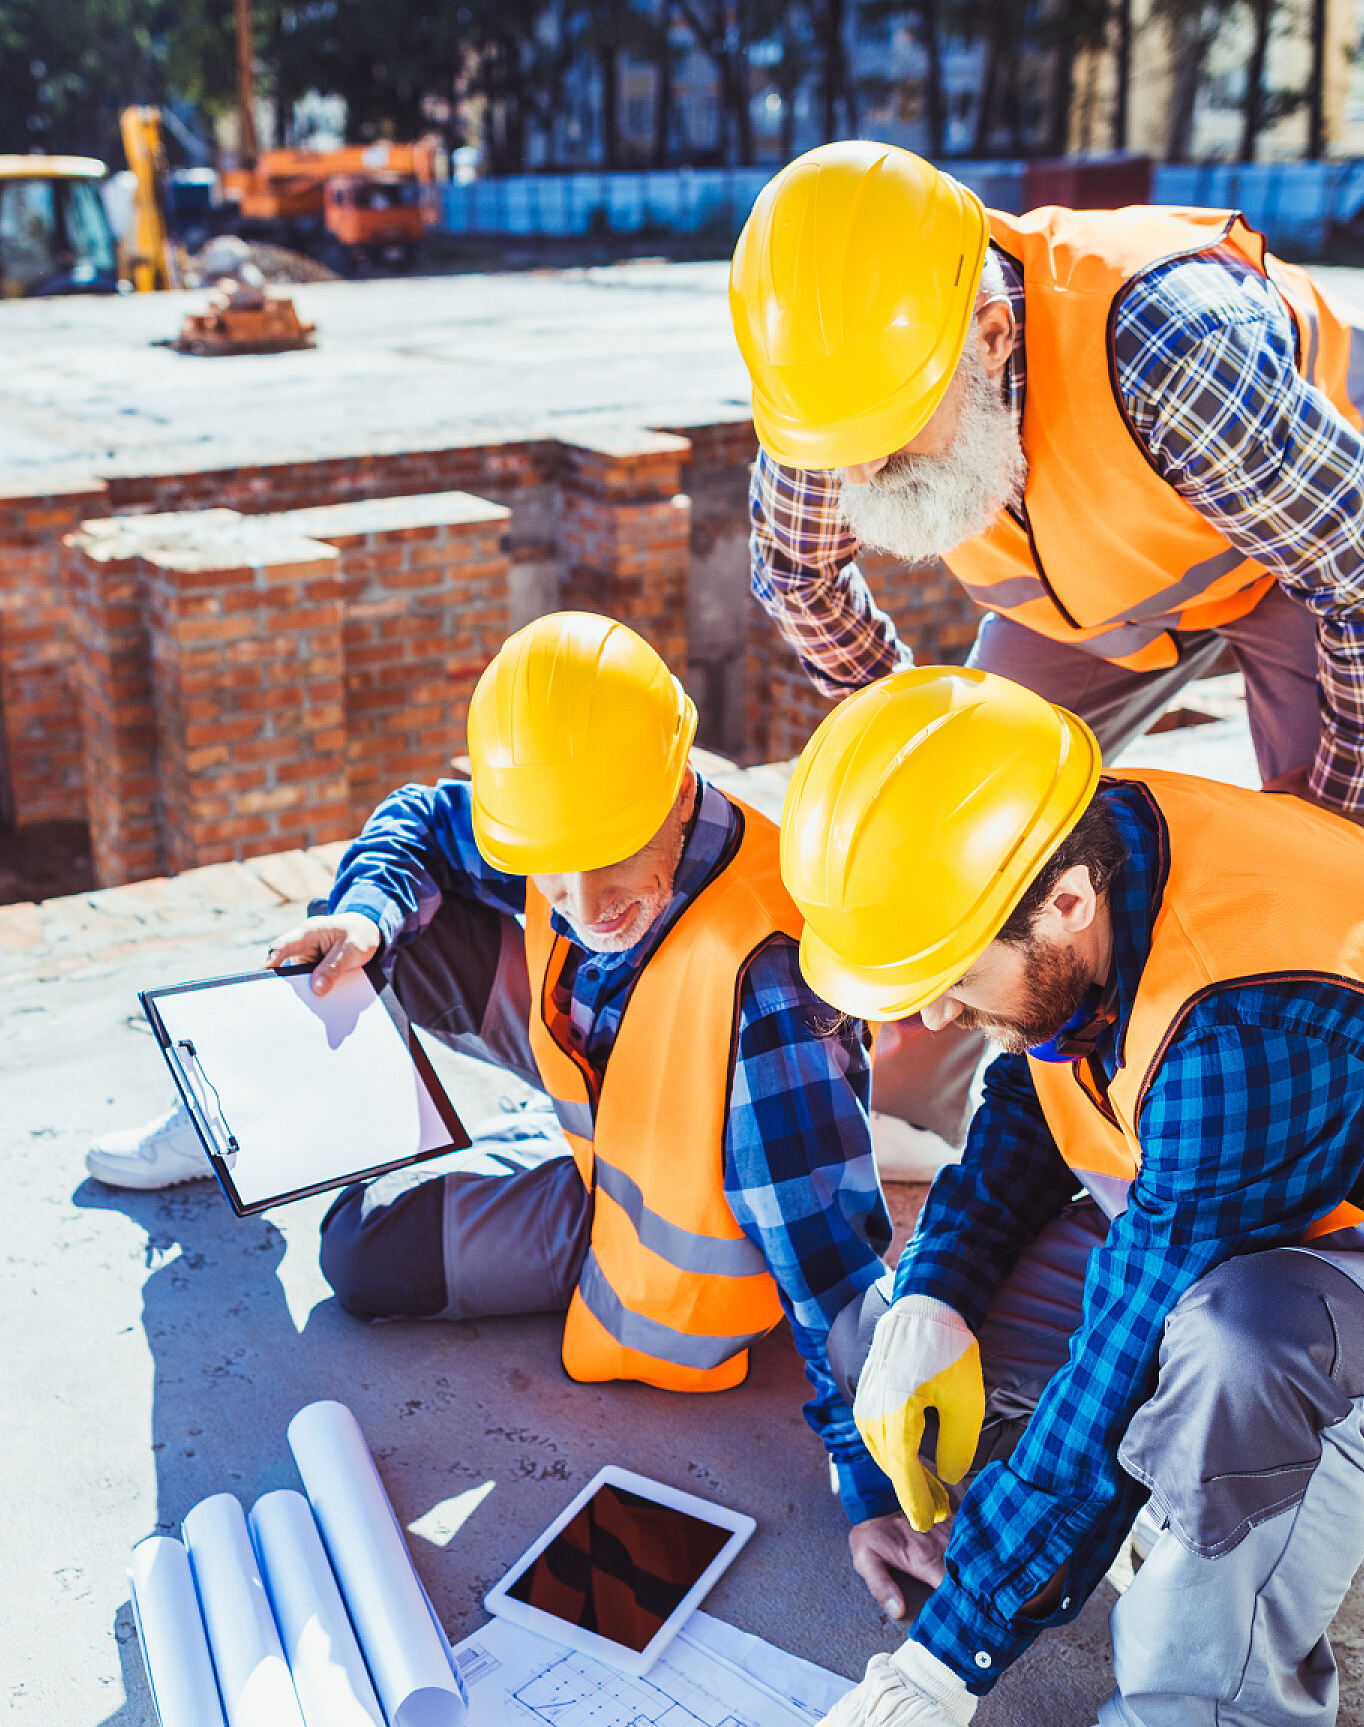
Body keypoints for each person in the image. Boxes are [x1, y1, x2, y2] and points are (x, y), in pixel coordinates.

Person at [757, 663, 1364, 1727]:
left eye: (942, 974)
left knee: (1240, 1346)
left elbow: (1127, 1360)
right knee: (965, 1328)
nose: (919, 1012)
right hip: (1298, 1218)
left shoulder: (1235, 1031)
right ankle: (1130, 1535)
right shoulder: (1074, 851)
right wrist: (940, 1293)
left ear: (1066, 902)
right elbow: (1035, 1099)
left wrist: (940, 1666)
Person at [89, 612, 900, 1450]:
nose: (585, 908)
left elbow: (829, 1257)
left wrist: (867, 1465)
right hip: (609, 1094)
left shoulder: (767, 974)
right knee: (381, 933)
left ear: (679, 784)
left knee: (359, 1252)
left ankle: (546, 1150)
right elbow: (422, 821)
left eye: (612, 852)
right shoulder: (566, 811)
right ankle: (243, 1112)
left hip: (659, 1241)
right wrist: (363, 916)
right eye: (553, 863)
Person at [735, 141, 1364, 857]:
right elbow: (799, 572)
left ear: (990, 337)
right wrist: (902, 722)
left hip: (1329, 547)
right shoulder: (827, 385)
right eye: (836, 444)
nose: (855, 474)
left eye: (889, 430)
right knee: (973, 815)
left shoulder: (1168, 349)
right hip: (1113, 583)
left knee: (1321, 862)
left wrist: (1351, 827)